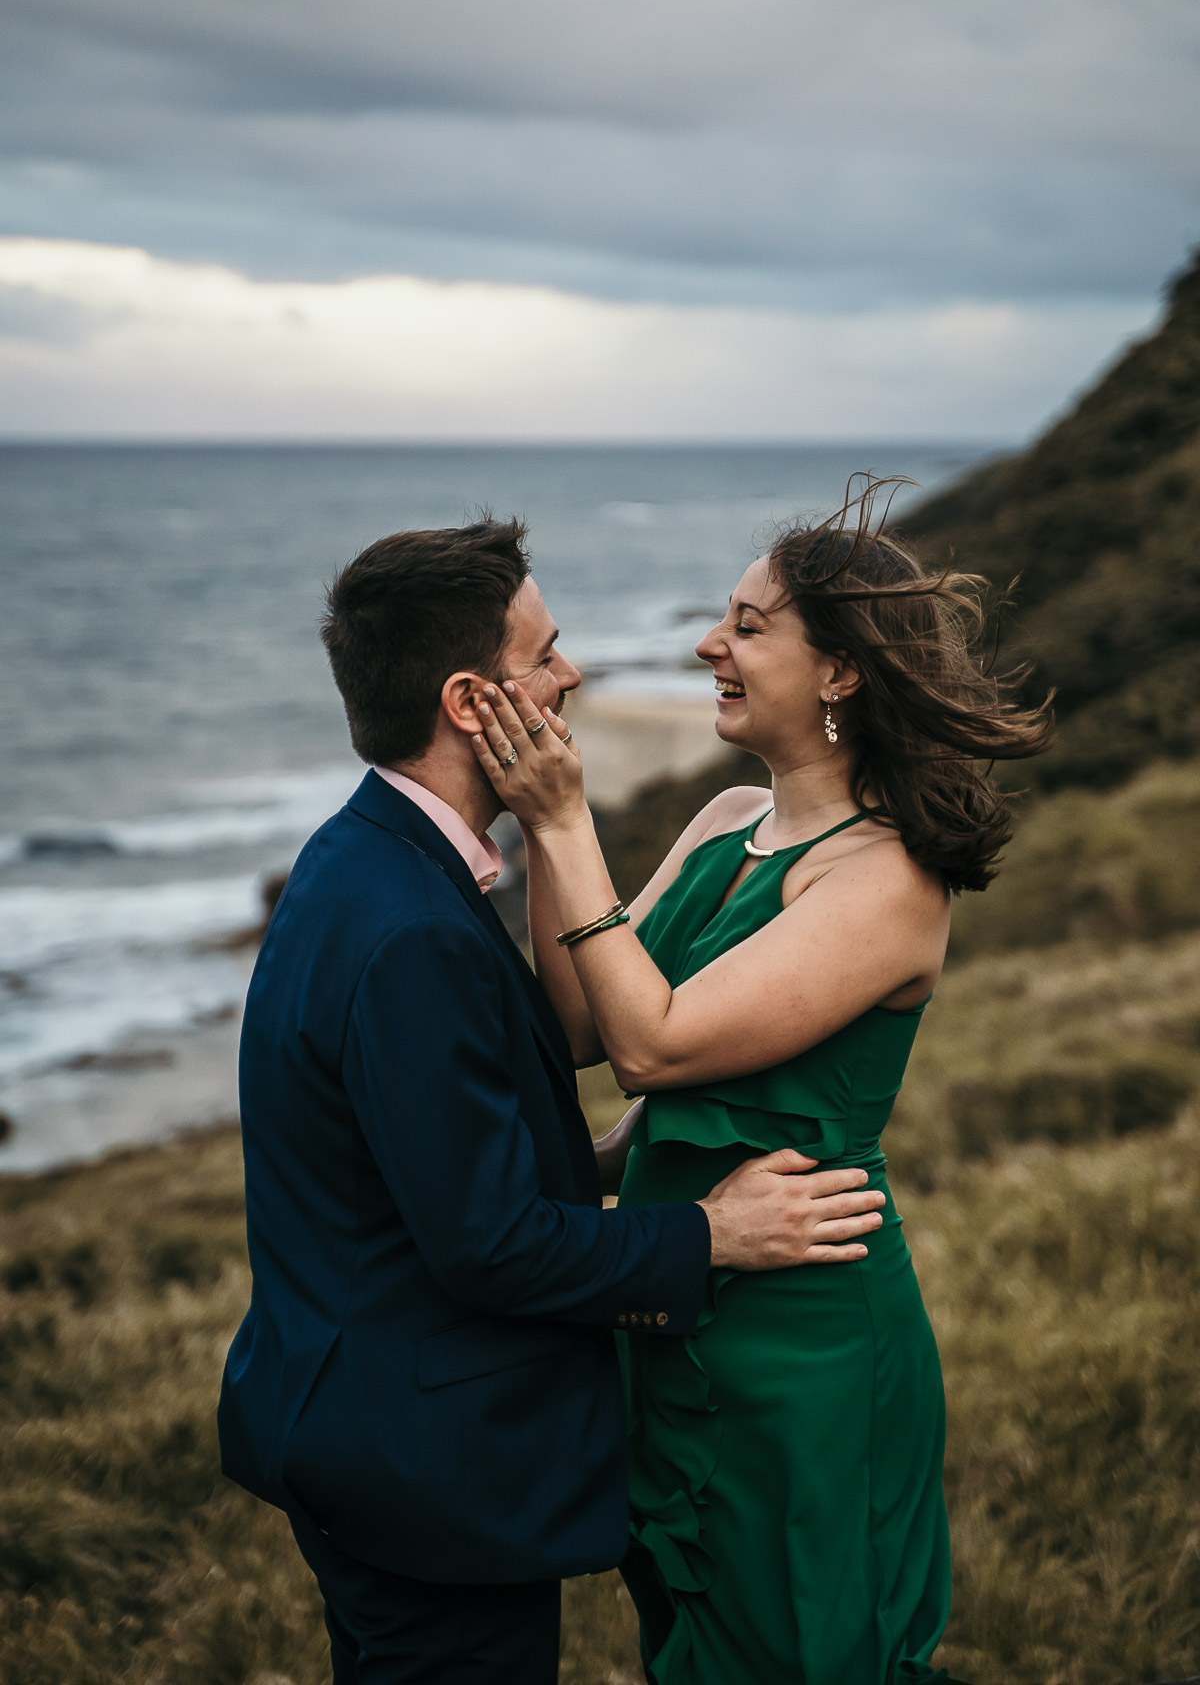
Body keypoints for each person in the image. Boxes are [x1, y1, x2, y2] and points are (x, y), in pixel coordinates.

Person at [217, 517, 887, 1685]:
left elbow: (437, 1160)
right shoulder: (413, 931)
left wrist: (618, 1158)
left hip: (355, 1427)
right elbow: (486, 1246)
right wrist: (713, 1235)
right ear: (475, 701)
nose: (573, 676)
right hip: (424, 1465)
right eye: (549, 655)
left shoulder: (362, 859)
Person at [471, 491, 1053, 1685]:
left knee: (803, 1641)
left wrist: (566, 817)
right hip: (682, 1295)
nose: (708, 646)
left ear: (838, 671)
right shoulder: (730, 818)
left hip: (807, 1331)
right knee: (697, 1630)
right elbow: (581, 1020)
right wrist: (540, 839)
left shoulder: (888, 879)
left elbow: (659, 1046)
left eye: (746, 627)